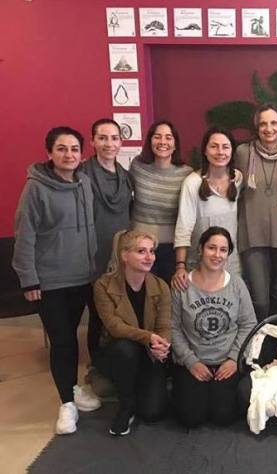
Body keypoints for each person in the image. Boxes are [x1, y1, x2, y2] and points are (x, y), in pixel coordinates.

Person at [12, 126, 101, 434]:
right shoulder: (35, 189)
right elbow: (25, 235)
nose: (69, 154)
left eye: (74, 149)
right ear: (49, 153)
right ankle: (66, 404)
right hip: (50, 282)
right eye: (61, 149)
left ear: (82, 153)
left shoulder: (85, 183)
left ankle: (73, 388)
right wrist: (29, 279)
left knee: (73, 337)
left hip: (82, 277)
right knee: (61, 341)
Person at [171, 226, 256, 428]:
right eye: (211, 248)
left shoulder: (237, 284)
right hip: (193, 360)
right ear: (200, 249)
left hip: (226, 361)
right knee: (190, 418)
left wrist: (234, 359)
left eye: (223, 250)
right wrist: (190, 361)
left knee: (223, 416)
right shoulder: (182, 285)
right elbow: (172, 327)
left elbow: (248, 324)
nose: (217, 255)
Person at [93, 230, 171, 436]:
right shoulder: (103, 285)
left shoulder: (161, 286)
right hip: (119, 352)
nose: (149, 257)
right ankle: (125, 404)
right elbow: (114, 326)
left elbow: (164, 325)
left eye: (152, 251)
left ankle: (138, 388)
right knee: (125, 348)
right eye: (141, 251)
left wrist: (162, 345)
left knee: (153, 412)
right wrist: (148, 337)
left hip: (148, 353)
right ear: (124, 255)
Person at [234, 104, 277, 320]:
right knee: (260, 299)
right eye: (263, 124)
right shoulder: (243, 153)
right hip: (252, 234)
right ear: (257, 127)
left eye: (273, 123)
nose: (269, 128)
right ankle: (259, 337)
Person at [80, 118, 133, 362]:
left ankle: (117, 363)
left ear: (121, 142)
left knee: (120, 312)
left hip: (121, 255)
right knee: (98, 313)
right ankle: (97, 364)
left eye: (114, 138)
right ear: (92, 142)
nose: (109, 144)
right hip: (93, 255)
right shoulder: (82, 175)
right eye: (102, 138)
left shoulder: (125, 176)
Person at [173, 127, 243, 292]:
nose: (220, 152)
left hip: (231, 263)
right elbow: (184, 226)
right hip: (199, 264)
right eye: (214, 146)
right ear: (205, 150)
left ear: (232, 151)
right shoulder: (192, 183)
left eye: (225, 147)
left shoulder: (238, 179)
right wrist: (180, 266)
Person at [130, 120, 193, 283]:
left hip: (171, 249)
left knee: (167, 293)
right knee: (141, 293)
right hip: (139, 245)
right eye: (157, 137)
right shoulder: (137, 166)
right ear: (150, 141)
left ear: (175, 144)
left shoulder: (186, 173)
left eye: (168, 137)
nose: (162, 142)